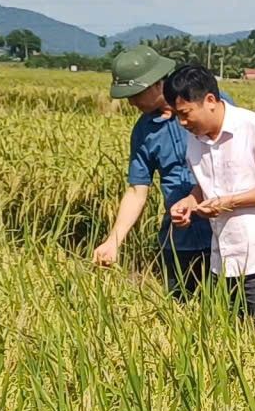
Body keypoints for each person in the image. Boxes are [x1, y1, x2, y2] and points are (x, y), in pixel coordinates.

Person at [163, 64, 255, 319]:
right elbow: (205, 188)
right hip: (223, 257)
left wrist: (229, 202)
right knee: (231, 337)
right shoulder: (196, 139)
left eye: (185, 113)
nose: (182, 123)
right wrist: (189, 203)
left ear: (210, 100)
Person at [91, 44, 214, 298]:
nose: (132, 102)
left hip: (223, 235)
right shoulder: (144, 132)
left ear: (158, 83)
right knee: (182, 314)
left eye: (136, 93)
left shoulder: (206, 106)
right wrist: (114, 240)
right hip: (180, 240)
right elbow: (137, 190)